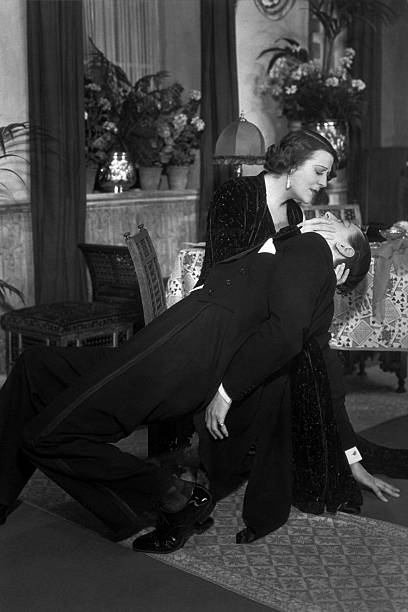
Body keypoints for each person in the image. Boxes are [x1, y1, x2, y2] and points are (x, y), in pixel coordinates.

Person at [0, 217, 395, 554]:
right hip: (170, 341)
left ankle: (176, 497)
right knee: (37, 366)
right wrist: (352, 457)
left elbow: (288, 337)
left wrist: (226, 391)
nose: (330, 215)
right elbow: (328, 376)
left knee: (45, 437)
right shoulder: (295, 250)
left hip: (179, 355)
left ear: (343, 253)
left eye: (341, 222)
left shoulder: (313, 249)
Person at [196, 129, 408, 517]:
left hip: (265, 324)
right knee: (306, 350)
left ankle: (342, 455)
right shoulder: (237, 194)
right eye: (319, 171)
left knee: (312, 353)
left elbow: (292, 278)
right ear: (292, 165)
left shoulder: (294, 214)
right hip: (224, 319)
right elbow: (226, 269)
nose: (324, 184)